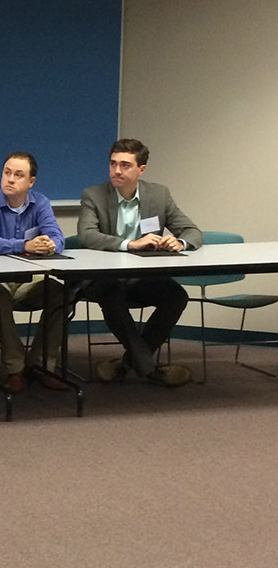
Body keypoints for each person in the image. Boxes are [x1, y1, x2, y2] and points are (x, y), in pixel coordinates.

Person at [77, 138, 202, 386]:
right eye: (113, 164)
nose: (117, 171)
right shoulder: (94, 195)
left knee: (176, 295)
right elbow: (87, 235)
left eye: (125, 165)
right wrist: (130, 244)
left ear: (141, 169)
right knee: (112, 290)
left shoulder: (159, 194)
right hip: (103, 277)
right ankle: (152, 369)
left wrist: (180, 243)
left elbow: (192, 231)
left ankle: (125, 364)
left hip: (141, 276)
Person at [0, 152, 69, 393]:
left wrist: (50, 245)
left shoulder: (41, 203)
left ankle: (40, 365)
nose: (10, 179)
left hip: (28, 279)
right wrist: (23, 246)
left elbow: (58, 237)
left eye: (18, 175)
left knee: (60, 292)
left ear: (31, 182)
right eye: (7, 173)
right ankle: (15, 368)